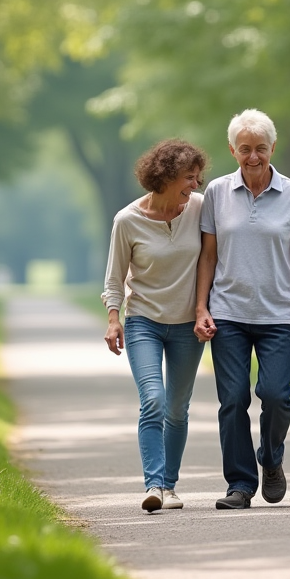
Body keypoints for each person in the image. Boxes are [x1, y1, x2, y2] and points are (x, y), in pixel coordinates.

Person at [195, 109, 290, 510]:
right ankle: (239, 483)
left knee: (275, 395)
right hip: (228, 312)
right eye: (246, 149)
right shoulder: (217, 193)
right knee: (233, 399)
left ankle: (271, 458)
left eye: (262, 149)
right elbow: (207, 257)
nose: (254, 157)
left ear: (274, 148)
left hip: (277, 315)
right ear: (233, 149)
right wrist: (201, 307)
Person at [103, 139, 209, 513]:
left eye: (198, 178)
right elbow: (114, 280)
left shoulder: (199, 209)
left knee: (177, 409)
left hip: (186, 326)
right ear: (164, 177)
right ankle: (153, 484)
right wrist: (114, 319)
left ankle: (169, 485)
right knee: (153, 400)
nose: (195, 186)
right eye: (188, 178)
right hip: (143, 322)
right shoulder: (127, 220)